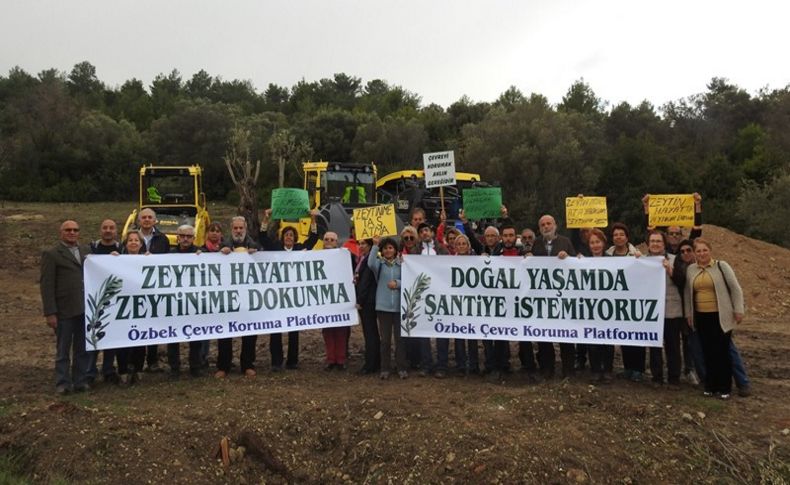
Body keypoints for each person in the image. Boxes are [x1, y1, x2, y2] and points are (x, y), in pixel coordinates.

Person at [259, 208, 321, 371]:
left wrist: (312, 220)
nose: (288, 238)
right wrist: (266, 220)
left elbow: (313, 239)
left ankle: (292, 361)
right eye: (286, 235)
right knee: (276, 329)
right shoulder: (275, 248)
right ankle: (276, 362)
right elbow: (262, 238)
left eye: (291, 235)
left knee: (294, 330)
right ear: (282, 237)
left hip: (293, 296)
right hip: (277, 296)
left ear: (295, 238)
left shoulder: (300, 249)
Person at [685, 238, 745, 399]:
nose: (702, 253)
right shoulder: (691, 269)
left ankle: (725, 387)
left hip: (721, 316)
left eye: (704, 250)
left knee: (722, 352)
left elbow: (735, 288)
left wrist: (738, 310)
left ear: (710, 251)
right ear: (694, 254)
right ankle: (711, 386)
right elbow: (687, 293)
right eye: (698, 251)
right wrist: (689, 314)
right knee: (707, 352)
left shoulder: (721, 266)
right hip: (701, 316)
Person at [40, 220, 91, 394]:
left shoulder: (86, 251)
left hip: (84, 309)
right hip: (63, 310)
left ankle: (80, 381)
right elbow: (46, 285)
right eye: (68, 230)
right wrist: (50, 312)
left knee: (82, 348)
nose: (72, 232)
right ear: (61, 232)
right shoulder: (52, 254)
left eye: (75, 230)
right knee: (63, 349)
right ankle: (62, 382)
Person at [529, 214, 577, 378]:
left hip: (562, 297)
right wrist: (528, 258)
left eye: (549, 223)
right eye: (543, 224)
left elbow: (576, 265)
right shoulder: (536, 243)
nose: (546, 227)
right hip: (542, 299)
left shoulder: (565, 241)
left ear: (555, 225)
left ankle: (568, 370)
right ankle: (546, 369)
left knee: (565, 335)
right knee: (544, 336)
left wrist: (568, 257)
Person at [215, 217, 259, 378]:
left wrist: (256, 253)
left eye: (241, 228)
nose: (238, 231)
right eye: (236, 228)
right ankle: (223, 366)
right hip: (228, 297)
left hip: (247, 297)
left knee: (249, 333)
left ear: (245, 229)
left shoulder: (253, 245)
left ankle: (247, 364)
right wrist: (222, 252)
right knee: (225, 332)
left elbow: (263, 254)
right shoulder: (224, 245)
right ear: (231, 229)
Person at [645, 230, 684, 387]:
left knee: (673, 346)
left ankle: (674, 378)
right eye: (652, 241)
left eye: (658, 241)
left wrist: (670, 270)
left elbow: (682, 281)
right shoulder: (642, 260)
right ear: (648, 244)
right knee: (654, 347)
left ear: (664, 243)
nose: (655, 244)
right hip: (651, 311)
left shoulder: (675, 260)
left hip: (671, 310)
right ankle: (657, 377)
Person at [607, 222, 644, 382]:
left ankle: (639, 369)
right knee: (624, 336)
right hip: (616, 302)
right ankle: (628, 368)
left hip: (634, 300)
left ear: (627, 237)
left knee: (636, 336)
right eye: (615, 235)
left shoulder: (637, 255)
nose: (618, 237)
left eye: (621, 234)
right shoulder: (607, 255)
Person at [110, 230, 148, 386]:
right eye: (130, 240)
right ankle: (123, 372)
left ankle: (138, 371)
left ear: (141, 244)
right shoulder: (117, 259)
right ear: (125, 244)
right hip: (122, 306)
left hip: (142, 305)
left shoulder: (149, 260)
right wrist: (109, 260)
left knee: (141, 340)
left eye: (136, 240)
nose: (133, 242)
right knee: (123, 340)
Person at [88, 219, 123, 385]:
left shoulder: (121, 248)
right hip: (95, 300)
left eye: (111, 228)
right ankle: (90, 371)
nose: (108, 230)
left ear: (116, 231)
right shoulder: (90, 248)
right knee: (94, 334)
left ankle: (108, 369)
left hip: (116, 301)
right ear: (100, 230)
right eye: (105, 228)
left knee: (111, 336)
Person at [167, 224, 204, 378]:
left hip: (194, 302)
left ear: (194, 238)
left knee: (195, 336)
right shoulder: (169, 254)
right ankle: (174, 368)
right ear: (177, 237)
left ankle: (195, 367)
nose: (185, 239)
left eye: (189, 236)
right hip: (175, 302)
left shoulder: (201, 253)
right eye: (182, 236)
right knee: (172, 337)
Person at [368, 237, 407, 379]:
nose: (388, 250)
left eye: (391, 248)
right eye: (385, 248)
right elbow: (370, 263)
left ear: (395, 250)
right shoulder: (379, 265)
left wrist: (398, 283)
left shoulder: (402, 265)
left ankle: (401, 367)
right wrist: (375, 245)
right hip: (383, 307)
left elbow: (409, 280)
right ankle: (385, 368)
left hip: (399, 308)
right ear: (382, 251)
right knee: (385, 340)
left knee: (400, 340)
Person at [137, 208, 170, 373]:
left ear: (155, 220)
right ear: (139, 220)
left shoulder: (162, 239)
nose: (147, 220)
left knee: (153, 325)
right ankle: (135, 362)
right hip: (135, 286)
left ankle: (152, 360)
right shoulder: (131, 237)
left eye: (150, 217)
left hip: (156, 288)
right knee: (138, 323)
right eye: (144, 217)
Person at [584, 229, 615, 383]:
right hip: (590, 307)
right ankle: (595, 369)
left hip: (608, 306)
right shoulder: (584, 261)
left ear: (603, 243)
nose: (595, 245)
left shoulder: (613, 260)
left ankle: (608, 370)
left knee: (608, 340)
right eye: (592, 243)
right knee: (593, 340)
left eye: (598, 242)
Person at [321, 231, 352, 370]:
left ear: (336, 242)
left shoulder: (344, 256)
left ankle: (340, 359)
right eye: (326, 239)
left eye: (332, 240)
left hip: (340, 297)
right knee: (327, 330)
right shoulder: (316, 256)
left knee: (341, 330)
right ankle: (330, 358)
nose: (328, 242)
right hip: (324, 298)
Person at [451, 234, 480, 376]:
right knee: (459, 335)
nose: (462, 246)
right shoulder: (449, 262)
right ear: (455, 247)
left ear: (468, 246)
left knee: (472, 335)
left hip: (473, 303)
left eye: (464, 244)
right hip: (457, 302)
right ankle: (461, 365)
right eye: (459, 244)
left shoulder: (476, 261)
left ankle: (474, 364)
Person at [354, 238, 380, 375]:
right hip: (368, 300)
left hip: (368, 301)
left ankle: (371, 364)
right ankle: (374, 361)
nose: (361, 246)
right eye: (360, 243)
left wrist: (360, 301)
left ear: (370, 246)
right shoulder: (362, 259)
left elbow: (365, 282)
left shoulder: (369, 260)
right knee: (371, 333)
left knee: (370, 334)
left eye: (364, 244)